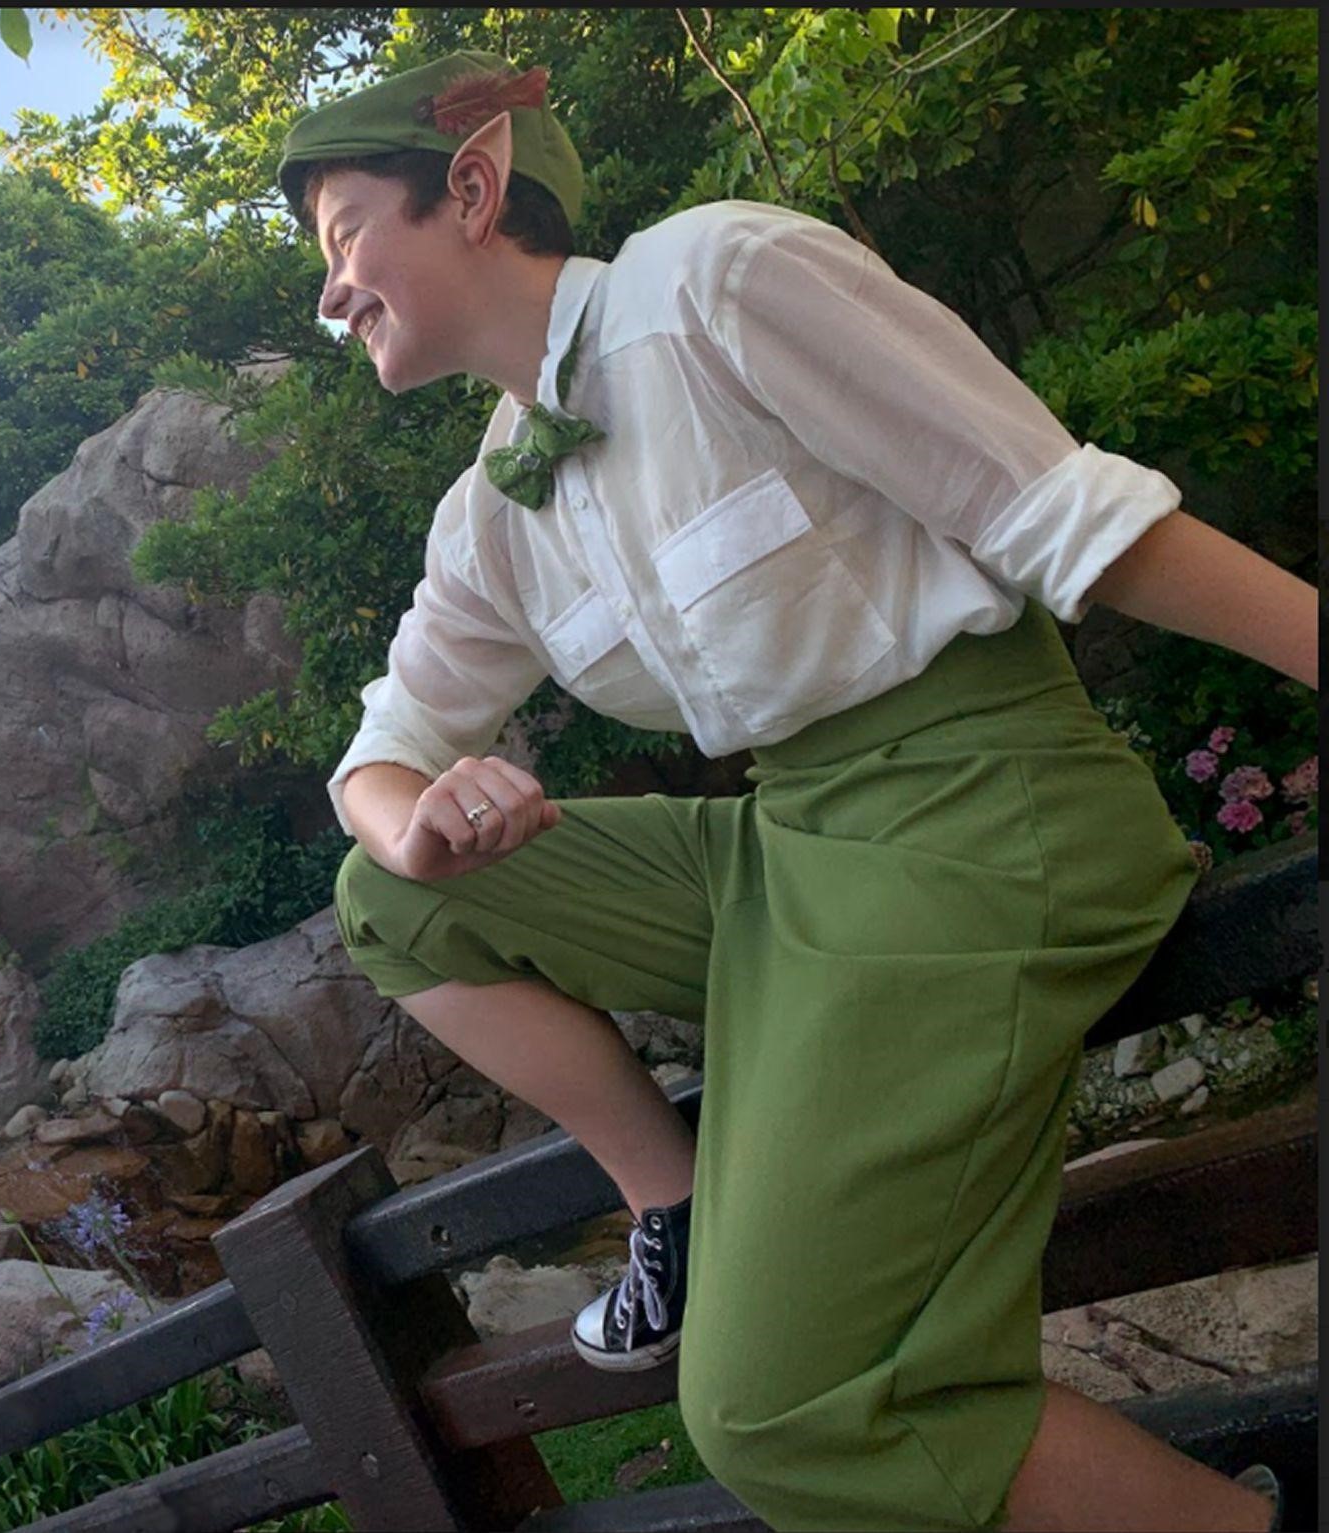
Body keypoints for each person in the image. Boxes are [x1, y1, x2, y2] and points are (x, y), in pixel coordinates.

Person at [275, 48, 1313, 1533]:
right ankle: (674, 1202)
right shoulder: (491, 510)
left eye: (346, 236)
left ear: (475, 188)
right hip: (794, 841)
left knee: (773, 1405)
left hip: (979, 811)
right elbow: (378, 758)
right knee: (390, 896)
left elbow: (1062, 514)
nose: (330, 291)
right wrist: (421, 818)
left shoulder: (717, 283)